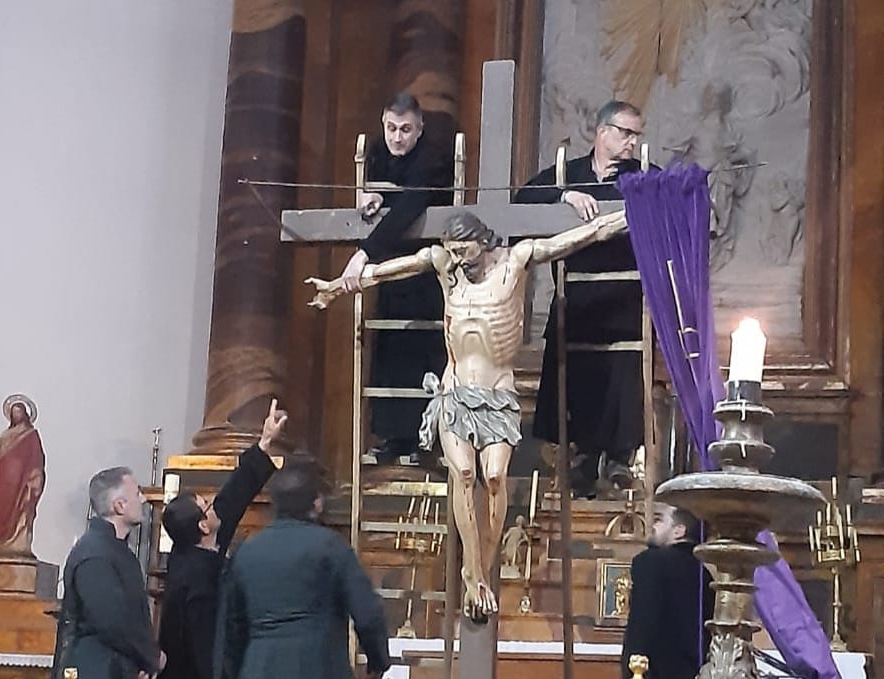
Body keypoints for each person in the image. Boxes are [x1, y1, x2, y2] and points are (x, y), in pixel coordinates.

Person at [306, 208, 628, 620]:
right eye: (452, 251)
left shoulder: (518, 260)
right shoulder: (446, 267)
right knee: (464, 475)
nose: (458, 259)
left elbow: (587, 234)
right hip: (456, 388)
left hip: (497, 392)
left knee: (494, 478)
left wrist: (634, 211)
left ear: (483, 239)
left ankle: (482, 564)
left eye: (464, 250)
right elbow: (391, 270)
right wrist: (339, 286)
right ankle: (473, 572)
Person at [514, 100, 651, 498]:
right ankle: (583, 459)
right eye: (625, 133)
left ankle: (621, 459)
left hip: (624, 300)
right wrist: (564, 197)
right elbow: (522, 201)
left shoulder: (642, 175)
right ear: (602, 132)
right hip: (578, 298)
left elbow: (672, 199)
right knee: (577, 383)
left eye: (636, 135)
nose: (631, 143)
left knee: (621, 383)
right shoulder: (567, 174)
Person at [338, 91, 452, 464]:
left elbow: (411, 206)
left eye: (405, 129)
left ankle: (425, 441)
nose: (397, 137)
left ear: (419, 130)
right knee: (389, 352)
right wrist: (371, 195)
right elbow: (377, 194)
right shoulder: (376, 152)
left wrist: (363, 252)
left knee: (423, 354)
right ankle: (392, 438)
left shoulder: (433, 159)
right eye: (391, 128)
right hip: (391, 274)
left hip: (425, 274)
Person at [221, 463, 391, 679]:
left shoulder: (246, 552)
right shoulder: (330, 546)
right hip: (319, 665)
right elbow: (368, 613)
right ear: (317, 503)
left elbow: (232, 628)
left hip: (259, 666)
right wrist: (377, 661)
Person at [157, 399, 287, 679]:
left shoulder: (202, 543)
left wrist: (264, 441)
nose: (215, 504)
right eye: (207, 504)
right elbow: (205, 646)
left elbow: (233, 496)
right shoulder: (197, 578)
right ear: (204, 525)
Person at [61, 467, 166, 679]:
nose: (144, 499)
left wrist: (139, 664)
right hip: (96, 668)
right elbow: (111, 620)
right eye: (137, 493)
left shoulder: (114, 549)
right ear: (119, 505)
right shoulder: (95, 553)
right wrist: (151, 656)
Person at [621, 503, 714, 679]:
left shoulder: (650, 561)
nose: (654, 526)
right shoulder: (706, 575)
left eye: (660, 520)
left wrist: (633, 669)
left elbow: (643, 622)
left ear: (679, 531)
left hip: (652, 671)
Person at [0, 395, 46, 555]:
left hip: (22, 481)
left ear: (25, 414)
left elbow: (36, 459)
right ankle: (1, 543)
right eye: (14, 412)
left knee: (21, 509)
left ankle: (17, 545)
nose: (17, 414)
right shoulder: (5, 436)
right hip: (3, 480)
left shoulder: (31, 435)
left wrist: (35, 477)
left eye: (19, 411)